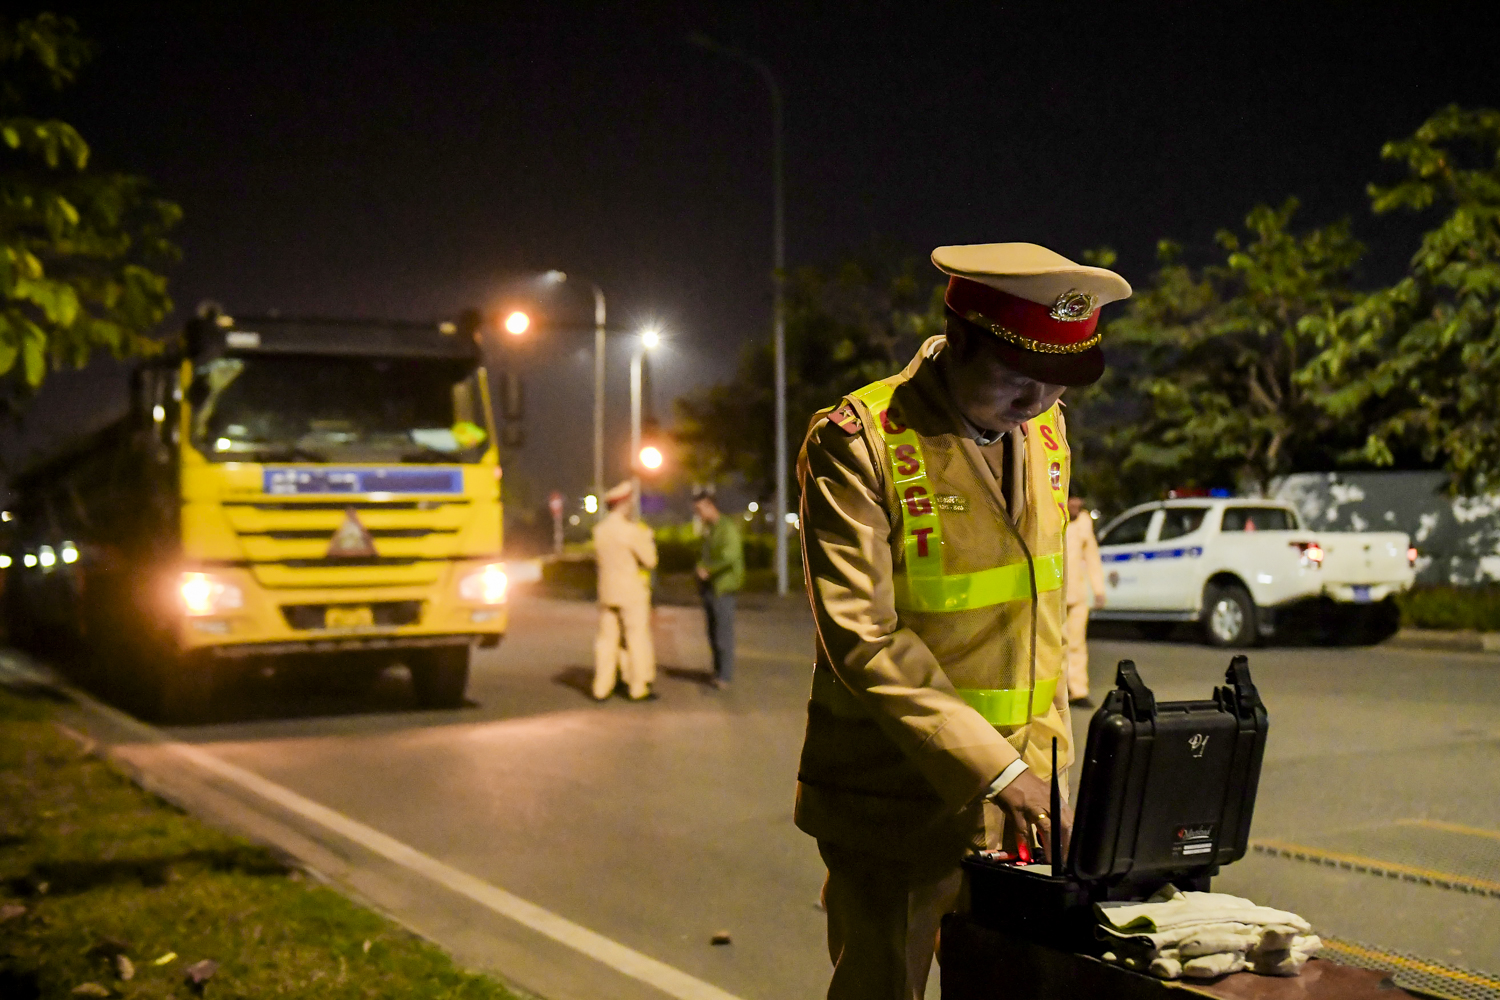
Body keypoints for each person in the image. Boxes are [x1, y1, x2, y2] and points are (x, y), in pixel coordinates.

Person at [795, 242, 1131, 999]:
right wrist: (1001, 771)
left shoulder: (1046, 430)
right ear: (960, 340)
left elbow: (1036, 612)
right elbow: (864, 636)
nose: (1038, 399)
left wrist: (1045, 768)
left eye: (1059, 379)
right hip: (893, 804)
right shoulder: (859, 442)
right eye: (1017, 376)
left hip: (1027, 806)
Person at [592, 480, 658, 701]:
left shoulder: (599, 531)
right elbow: (650, 560)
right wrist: (647, 538)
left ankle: (601, 687)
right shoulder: (631, 531)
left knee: (606, 640)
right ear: (623, 504)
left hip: (607, 592)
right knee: (636, 638)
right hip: (631, 593)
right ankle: (638, 686)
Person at [692, 486, 743, 689]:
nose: (698, 514)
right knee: (713, 632)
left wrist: (708, 570)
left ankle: (724, 675)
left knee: (723, 633)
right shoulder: (711, 528)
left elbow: (730, 556)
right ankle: (718, 672)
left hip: (723, 587)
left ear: (710, 506)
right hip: (711, 588)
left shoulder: (726, 527)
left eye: (700, 509)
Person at [1065, 494, 1108, 705]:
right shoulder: (1052, 516)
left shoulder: (1083, 521)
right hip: (1052, 595)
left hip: (1077, 594)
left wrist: (1098, 589)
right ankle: (1056, 694)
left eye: (1079, 500)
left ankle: (1078, 690)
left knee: (1077, 643)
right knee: (1052, 646)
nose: (1076, 504)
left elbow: (1091, 556)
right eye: (1072, 499)